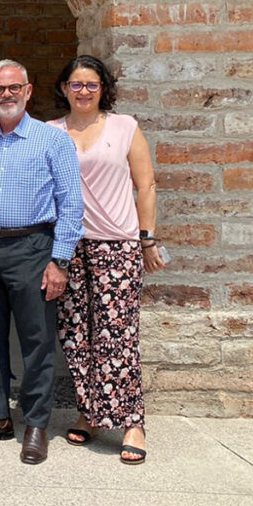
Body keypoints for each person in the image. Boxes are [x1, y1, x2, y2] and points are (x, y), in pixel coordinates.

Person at [0, 59, 83, 465]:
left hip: (34, 249)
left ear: (28, 91)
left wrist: (60, 261)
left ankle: (35, 424)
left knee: (36, 342)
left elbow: (71, 205)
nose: (7, 95)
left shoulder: (52, 141)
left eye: (14, 88)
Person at [48, 55, 165, 465]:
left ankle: (133, 422)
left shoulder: (124, 126)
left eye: (91, 84)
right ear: (64, 88)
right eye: (76, 84)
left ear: (103, 88)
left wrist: (146, 239)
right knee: (77, 337)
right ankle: (90, 413)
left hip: (116, 244)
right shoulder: (51, 131)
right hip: (68, 247)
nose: (83, 91)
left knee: (117, 337)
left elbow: (146, 183)